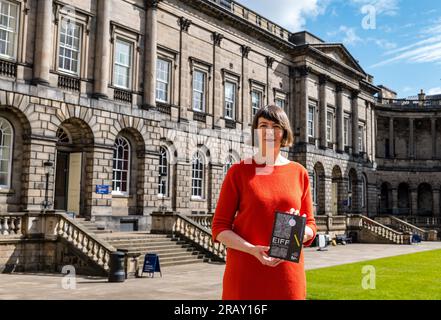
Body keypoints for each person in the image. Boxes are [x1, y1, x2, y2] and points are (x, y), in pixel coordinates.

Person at [211, 105, 317, 300]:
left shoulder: (299, 172)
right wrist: (252, 250)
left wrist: (298, 232)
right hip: (245, 274)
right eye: (263, 125)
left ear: (284, 132)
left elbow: (311, 225)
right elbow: (219, 228)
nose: (269, 131)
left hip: (287, 276)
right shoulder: (239, 171)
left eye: (276, 126)